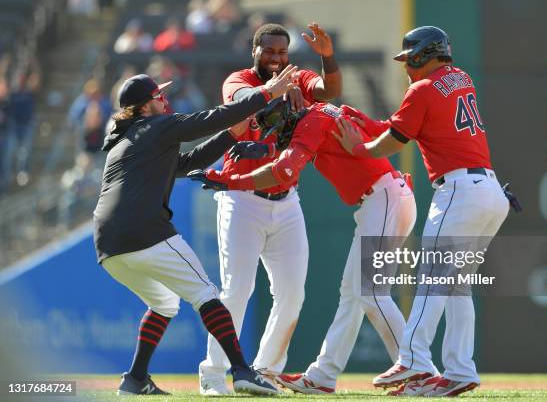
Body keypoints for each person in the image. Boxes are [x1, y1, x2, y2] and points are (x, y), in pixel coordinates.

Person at [92, 67, 297, 395]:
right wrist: (266, 93)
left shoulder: (128, 139)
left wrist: (231, 135)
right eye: (158, 95)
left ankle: (135, 379)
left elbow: (185, 164)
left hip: (108, 245)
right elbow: (208, 119)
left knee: (164, 303)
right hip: (144, 231)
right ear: (146, 106)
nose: (164, 98)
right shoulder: (157, 125)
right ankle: (242, 370)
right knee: (206, 295)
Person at [191, 99, 417, 394]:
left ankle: (415, 364)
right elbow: (378, 129)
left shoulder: (310, 121)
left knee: (370, 293)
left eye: (277, 124)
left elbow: (286, 169)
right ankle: (323, 374)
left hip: (383, 197)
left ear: (290, 112)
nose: (276, 132)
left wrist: (228, 180)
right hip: (385, 197)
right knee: (352, 296)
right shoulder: (325, 111)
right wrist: (269, 150)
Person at [333, 26, 510, 397]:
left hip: (460, 191)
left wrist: (359, 149)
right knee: (457, 286)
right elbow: (404, 127)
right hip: (490, 191)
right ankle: (460, 369)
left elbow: (394, 141)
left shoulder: (423, 88)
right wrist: (368, 126)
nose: (406, 67)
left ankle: (413, 356)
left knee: (432, 278)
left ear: (423, 55)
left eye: (409, 58)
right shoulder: (460, 78)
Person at [197, 22, 342, 396]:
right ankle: (213, 375)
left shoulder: (298, 76)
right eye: (269, 51)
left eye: (282, 52)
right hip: (242, 200)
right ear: (255, 51)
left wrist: (327, 58)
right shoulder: (238, 78)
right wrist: (277, 92)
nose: (276, 59)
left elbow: (331, 92)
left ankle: (264, 370)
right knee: (236, 291)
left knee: (293, 293)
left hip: (286, 200)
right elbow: (244, 100)